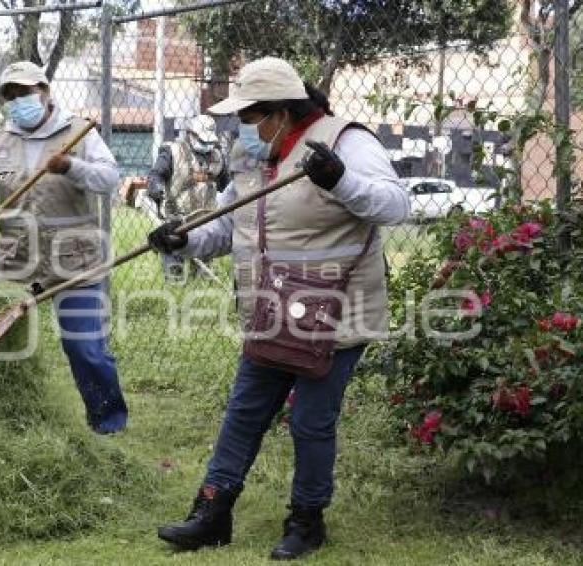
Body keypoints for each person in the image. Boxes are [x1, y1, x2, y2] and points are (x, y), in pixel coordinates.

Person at [147, 57, 410, 560]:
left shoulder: (346, 142)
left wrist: (340, 182)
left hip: (335, 315)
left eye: (249, 116)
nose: (242, 127)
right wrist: (181, 240)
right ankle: (212, 513)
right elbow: (229, 228)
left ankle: (307, 521)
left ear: (282, 112)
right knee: (243, 413)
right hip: (270, 313)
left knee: (311, 420)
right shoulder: (252, 158)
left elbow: (396, 205)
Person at [0, 61, 128, 435]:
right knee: (0, 342)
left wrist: (71, 167)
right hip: (17, 259)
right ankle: (2, 419)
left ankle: (107, 423)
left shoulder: (79, 132)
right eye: (11, 96)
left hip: (74, 261)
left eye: (25, 93)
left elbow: (110, 178)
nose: (19, 101)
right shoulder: (0, 142)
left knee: (85, 349)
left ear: (45, 92)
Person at [146, 114, 230, 282]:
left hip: (204, 221)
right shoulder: (172, 151)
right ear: (190, 134)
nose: (207, 146)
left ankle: (199, 286)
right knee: (174, 270)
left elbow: (225, 185)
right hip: (176, 220)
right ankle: (175, 289)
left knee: (202, 274)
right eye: (203, 141)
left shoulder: (217, 156)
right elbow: (156, 175)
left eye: (209, 143)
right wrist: (156, 190)